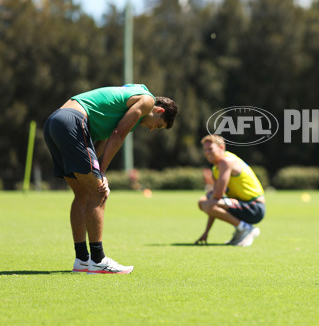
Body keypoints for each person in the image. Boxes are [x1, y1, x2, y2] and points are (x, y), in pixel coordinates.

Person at [43, 84, 178, 274]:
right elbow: (118, 134)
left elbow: (103, 141)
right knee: (99, 193)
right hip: (73, 121)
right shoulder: (147, 101)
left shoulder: (126, 103)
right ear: (158, 110)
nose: (151, 130)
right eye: (158, 125)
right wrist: (101, 174)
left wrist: (98, 170)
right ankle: (98, 260)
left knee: (82, 194)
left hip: (55, 122)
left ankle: (82, 259)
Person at [195, 135, 265, 247]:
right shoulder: (216, 168)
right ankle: (241, 228)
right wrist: (206, 232)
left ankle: (247, 229)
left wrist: (210, 199)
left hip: (254, 207)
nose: (207, 152)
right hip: (241, 204)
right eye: (205, 150)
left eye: (210, 149)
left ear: (221, 148)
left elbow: (217, 196)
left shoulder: (226, 161)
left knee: (207, 202)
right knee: (204, 202)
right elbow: (213, 204)